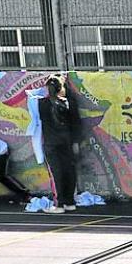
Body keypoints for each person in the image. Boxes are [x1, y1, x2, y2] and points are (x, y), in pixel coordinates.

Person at [38, 74, 83, 214]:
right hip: (67, 142)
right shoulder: (69, 102)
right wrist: (75, 142)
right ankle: (70, 202)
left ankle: (58, 204)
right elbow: (76, 123)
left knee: (56, 173)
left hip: (51, 143)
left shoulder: (42, 104)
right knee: (69, 170)